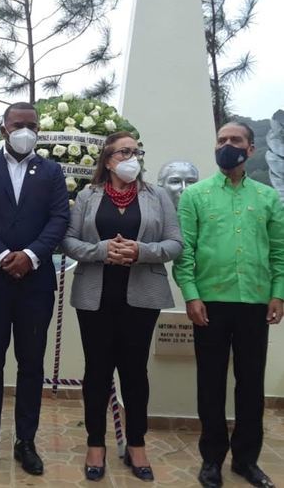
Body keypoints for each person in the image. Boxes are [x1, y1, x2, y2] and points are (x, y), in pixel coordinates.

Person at [62, 131, 182, 482]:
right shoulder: (88, 195)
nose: (132, 157)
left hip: (142, 297)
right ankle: (95, 444)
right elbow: (68, 240)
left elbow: (175, 243)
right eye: (124, 151)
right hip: (95, 296)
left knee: (134, 372)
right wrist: (100, 250)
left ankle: (137, 444)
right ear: (108, 159)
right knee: (97, 371)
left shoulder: (156, 195)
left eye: (136, 151)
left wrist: (140, 252)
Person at [0, 102, 68, 476]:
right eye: (19, 124)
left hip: (36, 284)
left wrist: (32, 256)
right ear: (4, 127)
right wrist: (5, 255)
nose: (26, 131)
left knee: (31, 365)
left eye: (32, 125)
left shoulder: (51, 171)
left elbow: (59, 218)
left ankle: (26, 441)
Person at [173, 122, 284, 488]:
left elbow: (280, 252)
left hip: (254, 303)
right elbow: (185, 252)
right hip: (210, 305)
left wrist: (278, 292)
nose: (227, 145)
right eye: (221, 140)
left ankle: (246, 460)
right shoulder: (196, 196)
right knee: (210, 384)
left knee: (251, 385)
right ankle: (212, 460)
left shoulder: (268, 198)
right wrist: (191, 294)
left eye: (235, 140)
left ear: (250, 150)